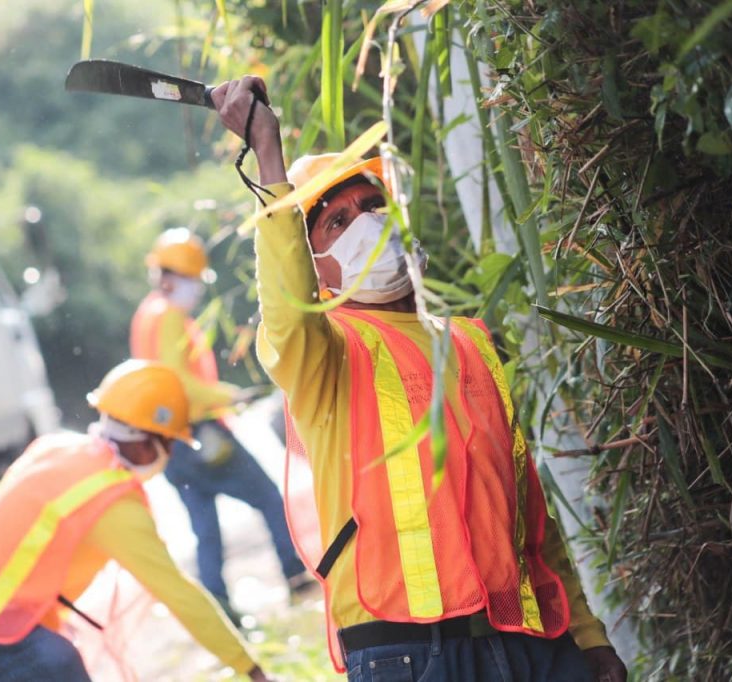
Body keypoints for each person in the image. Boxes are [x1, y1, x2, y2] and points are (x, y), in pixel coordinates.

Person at [209, 76, 629, 682]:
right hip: (405, 655)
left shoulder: (471, 343)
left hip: (529, 642)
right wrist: (268, 158)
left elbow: (527, 515)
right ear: (315, 268)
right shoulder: (325, 355)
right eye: (336, 222)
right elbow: (288, 308)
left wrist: (587, 635)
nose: (365, 223)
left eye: (372, 206)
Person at [0, 359, 272, 682]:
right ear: (145, 441)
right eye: (168, 442)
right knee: (57, 661)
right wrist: (251, 669)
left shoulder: (58, 448)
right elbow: (179, 594)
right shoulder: (111, 502)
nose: (169, 454)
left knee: (58, 657)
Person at [130, 228, 315, 623]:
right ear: (171, 277)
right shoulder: (168, 316)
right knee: (268, 498)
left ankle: (219, 609)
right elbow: (177, 380)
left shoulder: (147, 314)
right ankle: (296, 576)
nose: (195, 287)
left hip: (170, 441)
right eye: (191, 278)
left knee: (205, 530)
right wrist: (228, 395)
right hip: (201, 432)